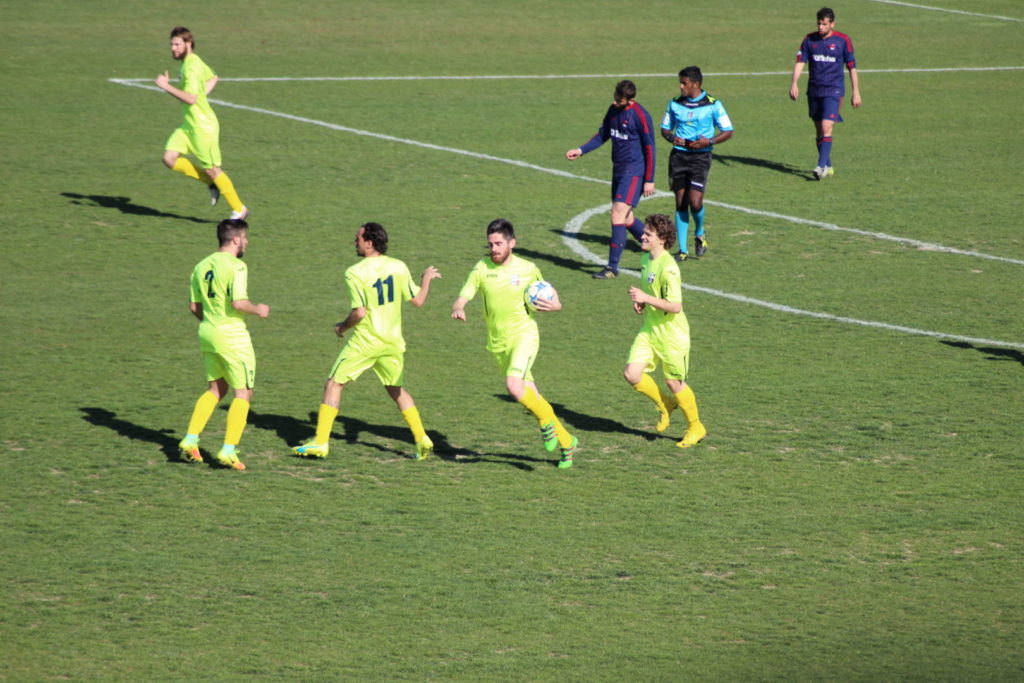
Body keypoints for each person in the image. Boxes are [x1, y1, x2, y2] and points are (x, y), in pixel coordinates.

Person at [292, 222, 441, 461]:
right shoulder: (398, 266)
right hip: (392, 343)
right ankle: (422, 438)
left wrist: (342, 326)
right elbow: (418, 301)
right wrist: (426, 280)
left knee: (333, 384)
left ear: (369, 243)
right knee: (396, 390)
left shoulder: (355, 272)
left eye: (358, 239)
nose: (355, 242)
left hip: (366, 342)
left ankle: (320, 442)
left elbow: (359, 312)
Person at [451, 219, 579, 468]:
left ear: (512, 243)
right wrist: (458, 306)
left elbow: (547, 291)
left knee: (513, 386)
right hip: (498, 344)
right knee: (533, 397)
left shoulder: (528, 268)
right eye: (490, 244)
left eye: (499, 244)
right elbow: (465, 293)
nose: (494, 249)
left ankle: (546, 423)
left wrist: (557, 305)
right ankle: (567, 442)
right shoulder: (482, 267)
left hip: (524, 336)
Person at [178, 218, 270, 470]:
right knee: (244, 393)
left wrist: (212, 323)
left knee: (216, 389)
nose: (247, 242)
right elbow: (239, 303)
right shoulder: (236, 266)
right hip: (232, 337)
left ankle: (190, 439)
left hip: (208, 333)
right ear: (236, 239)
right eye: (245, 238)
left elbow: (194, 307)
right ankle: (228, 450)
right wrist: (259, 309)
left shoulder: (200, 266)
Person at [623, 214, 707, 449]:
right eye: (644, 232)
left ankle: (696, 427)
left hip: (672, 335)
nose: (642, 236)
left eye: (648, 234)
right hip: (650, 329)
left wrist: (645, 297)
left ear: (662, 239)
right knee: (632, 374)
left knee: (674, 383)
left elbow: (675, 306)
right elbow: (653, 293)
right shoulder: (645, 259)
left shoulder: (669, 268)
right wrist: (642, 303)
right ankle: (665, 404)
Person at [566, 80, 656, 280]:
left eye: (620, 101)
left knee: (617, 215)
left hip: (634, 172)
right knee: (627, 218)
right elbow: (602, 134)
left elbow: (650, 148)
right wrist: (581, 150)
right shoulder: (613, 109)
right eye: (615, 98)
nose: (615, 102)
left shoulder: (640, 116)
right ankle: (659, 248)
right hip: (618, 171)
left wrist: (649, 179)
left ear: (630, 100)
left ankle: (612, 268)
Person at [155, 26, 248, 219]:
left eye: (177, 44)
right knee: (169, 159)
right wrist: (201, 96)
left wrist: (166, 86)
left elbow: (190, 98)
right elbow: (213, 77)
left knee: (212, 169)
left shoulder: (191, 67)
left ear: (188, 44)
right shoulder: (191, 61)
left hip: (202, 126)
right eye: (171, 44)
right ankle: (211, 182)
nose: (173, 48)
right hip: (189, 125)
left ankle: (239, 209)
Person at [660, 66, 733, 262]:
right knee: (680, 202)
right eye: (680, 83)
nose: (681, 86)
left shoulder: (713, 104)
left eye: (684, 83)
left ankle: (700, 234)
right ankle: (683, 250)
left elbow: (728, 131)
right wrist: (671, 138)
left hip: (700, 158)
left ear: (696, 84)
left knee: (695, 202)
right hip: (678, 157)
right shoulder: (675, 103)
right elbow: (665, 128)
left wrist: (708, 142)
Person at [788, 7, 861, 180]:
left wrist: (856, 92)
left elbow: (852, 67)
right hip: (814, 90)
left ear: (832, 24)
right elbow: (800, 62)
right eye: (819, 24)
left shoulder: (843, 40)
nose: (820, 27)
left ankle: (820, 166)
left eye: (824, 24)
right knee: (819, 130)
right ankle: (827, 164)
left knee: (827, 126)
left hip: (834, 90)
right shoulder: (809, 40)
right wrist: (794, 82)